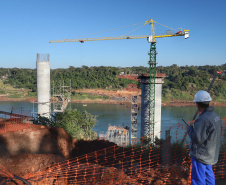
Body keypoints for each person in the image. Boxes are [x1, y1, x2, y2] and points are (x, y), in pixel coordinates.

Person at [187, 90, 223, 185]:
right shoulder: (215, 116)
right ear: (208, 102)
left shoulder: (203, 119)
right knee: (208, 176)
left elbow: (197, 139)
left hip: (201, 155)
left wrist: (190, 129)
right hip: (211, 154)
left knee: (198, 179)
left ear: (197, 104)